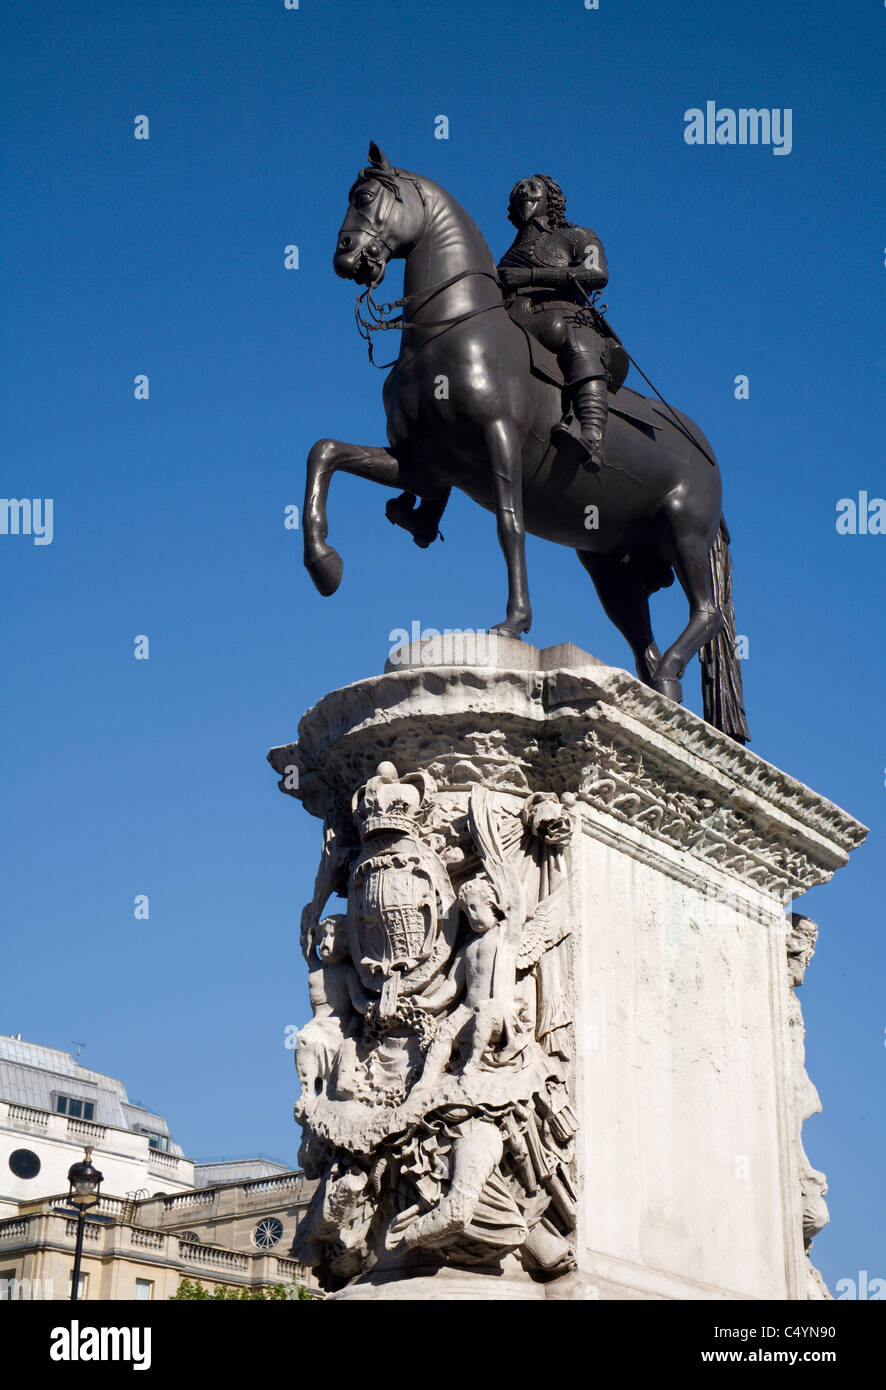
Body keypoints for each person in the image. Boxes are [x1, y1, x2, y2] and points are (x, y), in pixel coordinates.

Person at [498, 174, 613, 466]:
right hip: (513, 321)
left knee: (577, 338)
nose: (524, 191)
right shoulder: (506, 257)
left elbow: (597, 275)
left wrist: (532, 276)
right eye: (518, 189)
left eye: (533, 187)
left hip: (562, 315)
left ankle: (591, 434)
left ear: (551, 199)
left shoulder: (577, 236)